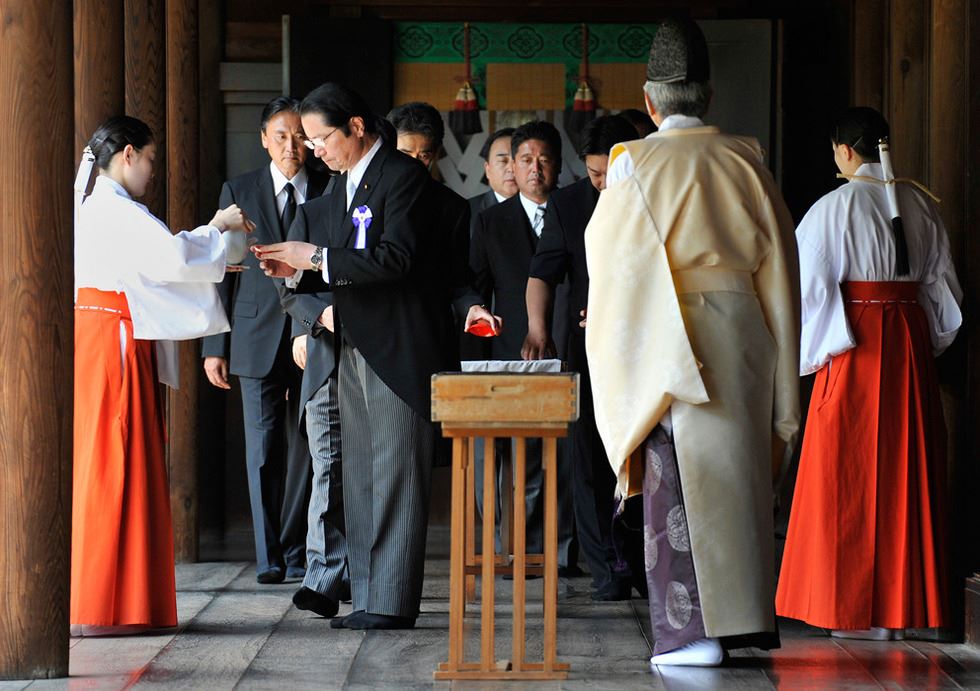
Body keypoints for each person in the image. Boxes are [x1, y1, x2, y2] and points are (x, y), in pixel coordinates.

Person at [586, 18, 800, 666]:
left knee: (675, 484)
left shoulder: (634, 164)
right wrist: (781, 364)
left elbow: (612, 262)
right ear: (707, 98)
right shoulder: (747, 159)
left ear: (649, 102)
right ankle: (742, 621)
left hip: (664, 337)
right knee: (735, 480)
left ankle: (689, 633)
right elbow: (780, 268)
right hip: (740, 335)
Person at [253, 83, 497, 630]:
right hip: (355, 344)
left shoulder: (402, 177)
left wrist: (312, 256)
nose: (315, 149)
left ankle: (390, 602)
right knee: (359, 478)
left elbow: (394, 260)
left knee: (393, 478)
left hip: (398, 347)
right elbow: (342, 266)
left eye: (321, 137)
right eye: (309, 140)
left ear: (357, 127)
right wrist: (297, 270)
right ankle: (366, 595)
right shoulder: (346, 185)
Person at [775, 107, 961, 639]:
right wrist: (924, 345)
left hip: (853, 345)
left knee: (845, 473)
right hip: (906, 345)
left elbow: (806, 291)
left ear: (846, 151)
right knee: (907, 468)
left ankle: (847, 608)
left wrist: (810, 354)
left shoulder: (832, 208)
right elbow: (944, 298)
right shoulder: (922, 207)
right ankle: (902, 613)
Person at [72, 115, 253, 636]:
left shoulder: (99, 205)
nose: (152, 171)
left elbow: (163, 260)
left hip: (102, 335)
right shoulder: (115, 208)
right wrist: (218, 233)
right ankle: (110, 603)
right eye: (150, 159)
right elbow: (172, 258)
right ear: (127, 154)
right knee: (118, 454)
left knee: (104, 458)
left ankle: (106, 599)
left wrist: (211, 240)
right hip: (114, 343)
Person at [202, 96, 330, 585]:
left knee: (306, 446)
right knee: (261, 448)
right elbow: (222, 268)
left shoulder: (327, 187)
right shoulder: (241, 189)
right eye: (281, 135)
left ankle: (299, 549)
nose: (291, 145)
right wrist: (215, 345)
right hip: (254, 332)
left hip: (310, 333)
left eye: (300, 135)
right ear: (264, 139)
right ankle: (269, 554)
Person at [524, 114, 644, 599]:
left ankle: (646, 561)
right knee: (589, 460)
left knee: (640, 458)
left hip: (645, 347)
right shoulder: (571, 204)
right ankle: (608, 570)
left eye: (607, 172)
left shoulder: (653, 197)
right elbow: (543, 272)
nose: (600, 182)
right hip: (588, 348)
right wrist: (537, 328)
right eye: (593, 173)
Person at [470, 120, 576, 570]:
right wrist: (476, 310)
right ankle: (524, 552)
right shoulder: (490, 222)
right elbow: (471, 287)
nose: (535, 169)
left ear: (558, 165)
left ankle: (568, 553)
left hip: (574, 348)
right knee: (522, 459)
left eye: (544, 160)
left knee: (571, 458)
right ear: (511, 165)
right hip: (512, 354)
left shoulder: (578, 213)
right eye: (526, 160)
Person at [468, 127, 518, 231]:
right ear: (487, 169)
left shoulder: (549, 207)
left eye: (517, 161)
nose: (511, 168)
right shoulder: (467, 211)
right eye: (503, 161)